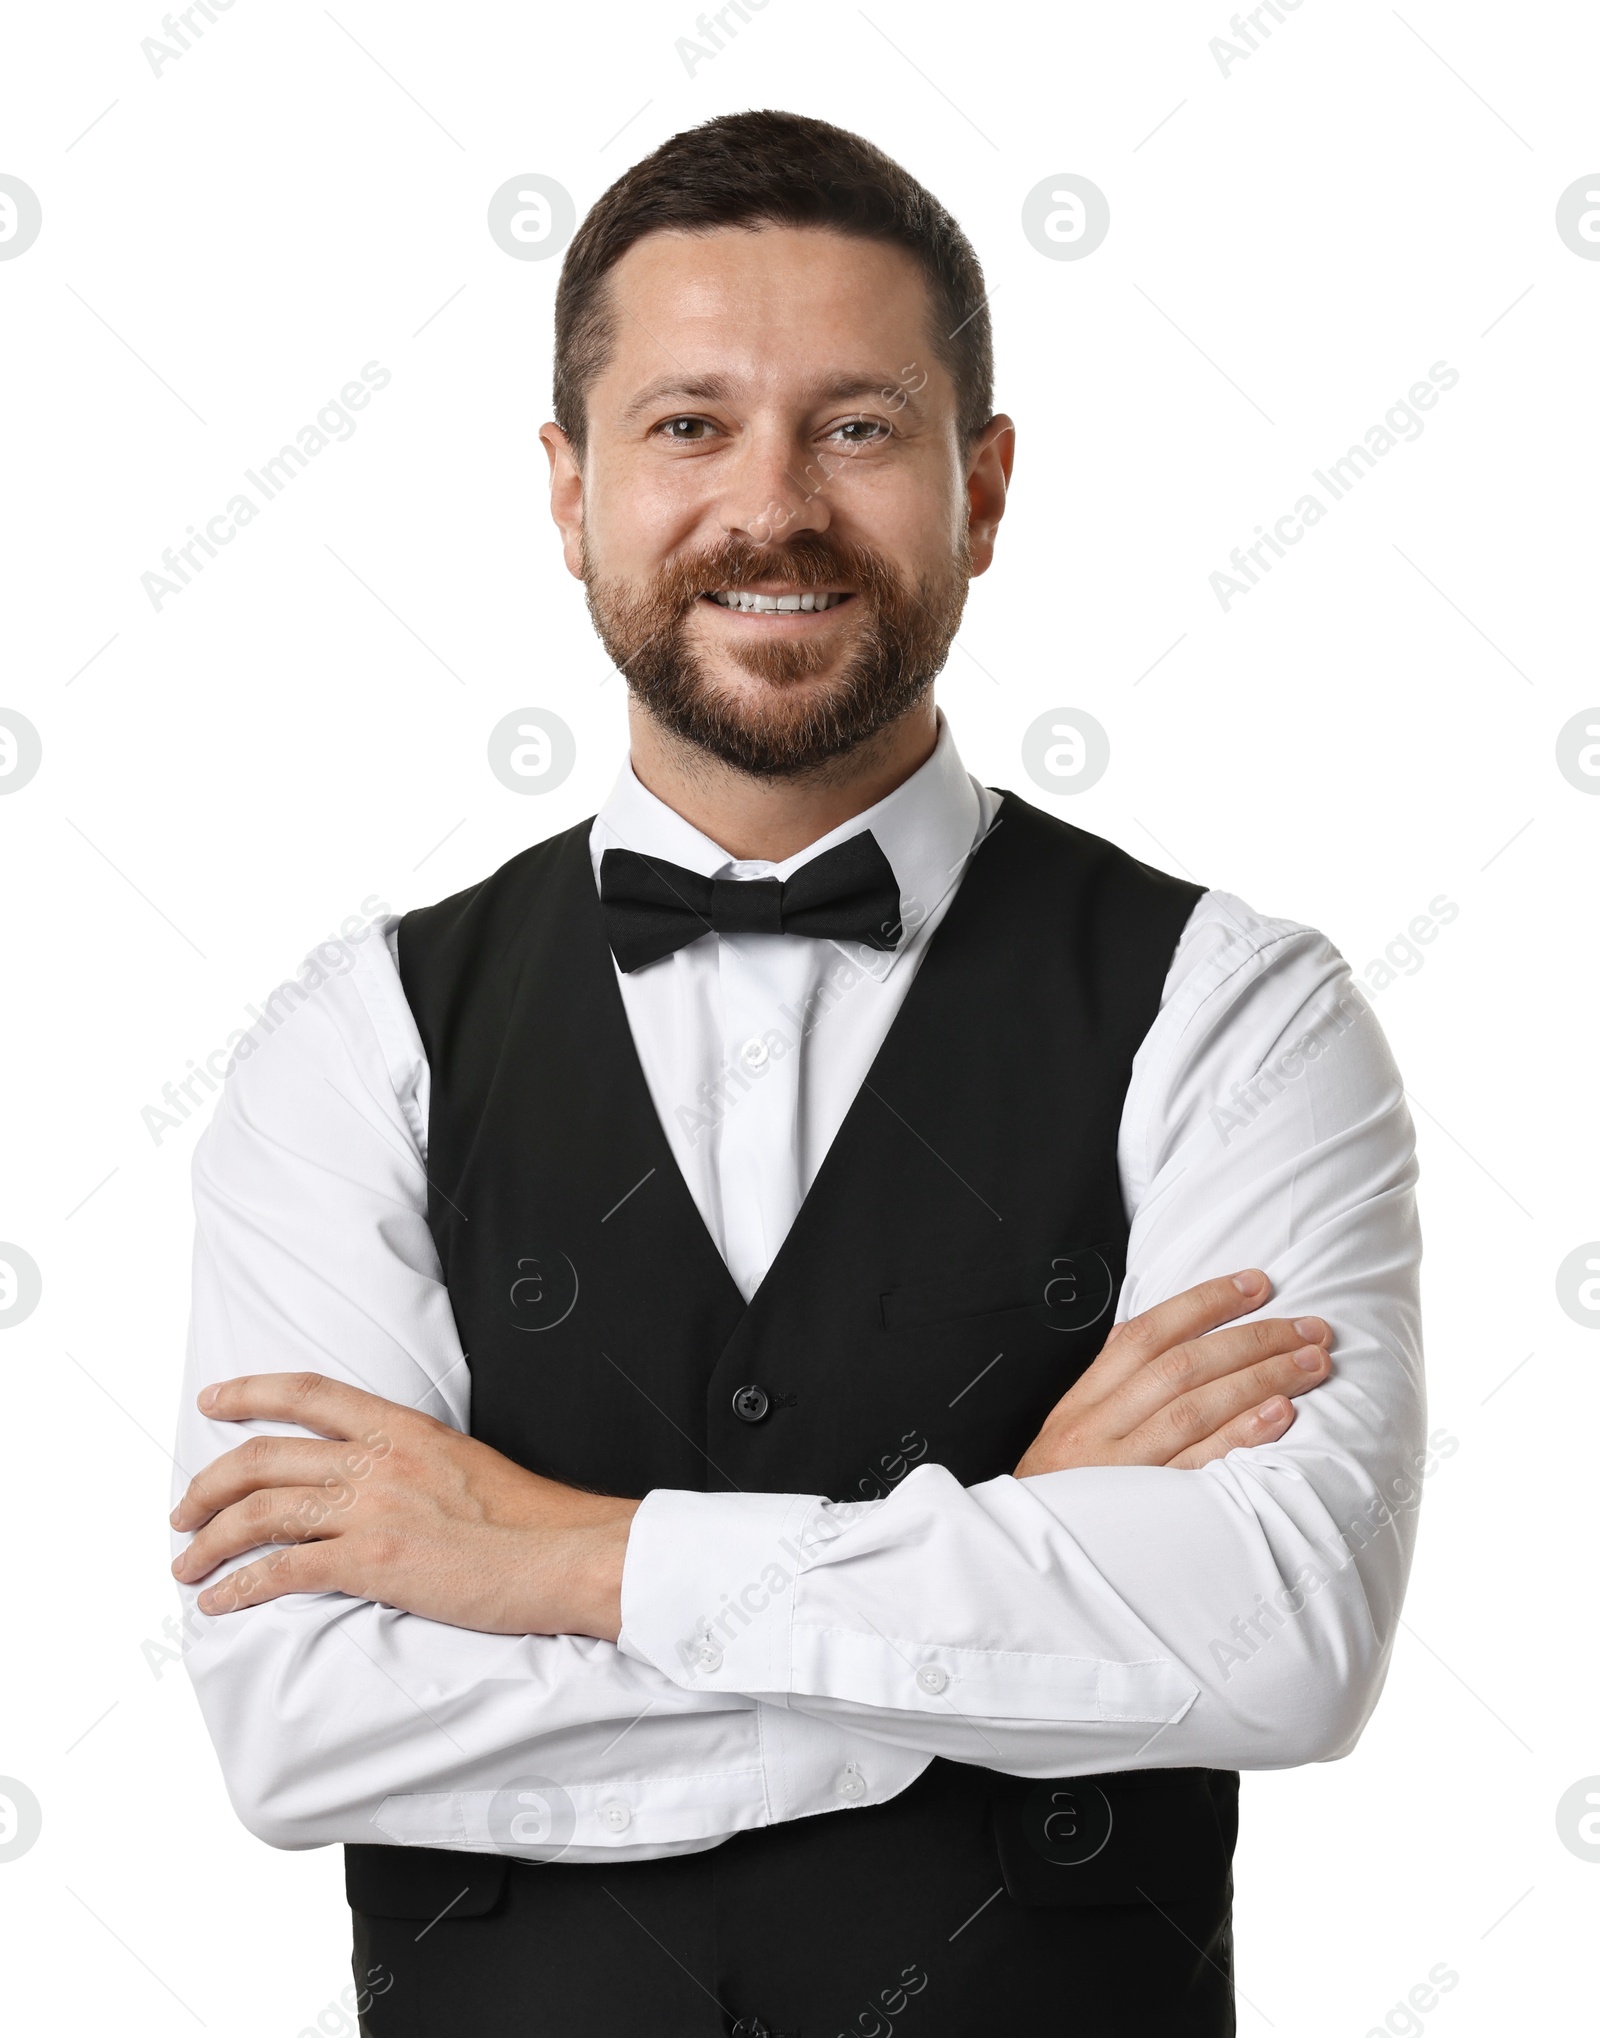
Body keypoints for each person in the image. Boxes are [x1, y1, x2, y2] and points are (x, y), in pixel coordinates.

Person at [169, 109, 1424, 2038]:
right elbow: (304, 1725)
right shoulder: (354, 1044)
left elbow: (1281, 1644)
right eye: (686, 426)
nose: (773, 507)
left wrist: (557, 1558)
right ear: (567, 487)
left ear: (980, 488)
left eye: (857, 426)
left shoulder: (1240, 1011)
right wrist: (1010, 1574)